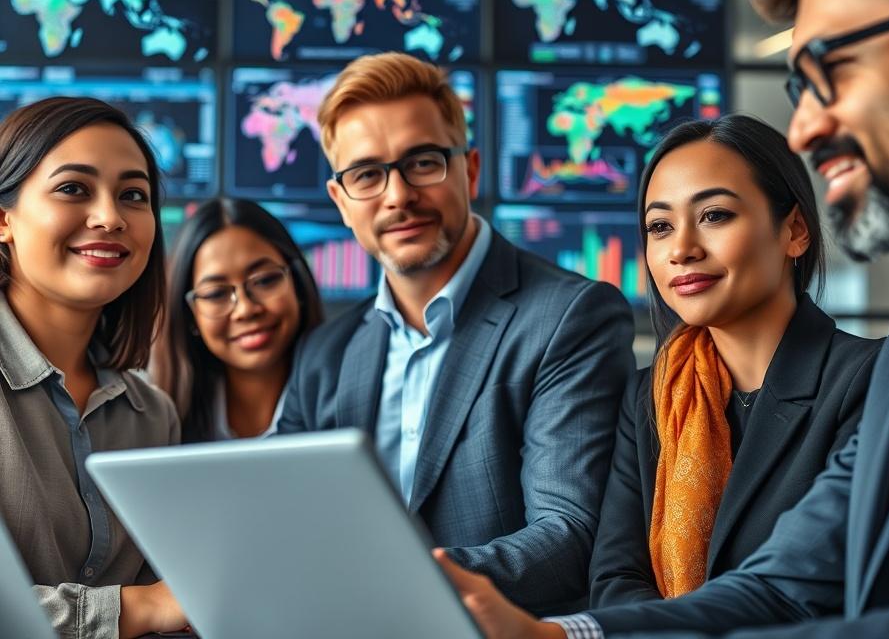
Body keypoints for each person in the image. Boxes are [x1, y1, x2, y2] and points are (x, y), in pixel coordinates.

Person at [435, 0, 889, 636]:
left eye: (832, 69)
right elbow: (786, 583)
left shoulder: (883, 361)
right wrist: (560, 635)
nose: (806, 130)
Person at [277, 51, 635, 615]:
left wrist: (391, 586)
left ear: (468, 169)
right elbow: (279, 518)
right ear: (341, 202)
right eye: (367, 175)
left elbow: (570, 533)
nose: (398, 196)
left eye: (422, 162)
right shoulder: (326, 352)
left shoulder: (571, 316)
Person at [589, 115, 880, 607]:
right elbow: (615, 581)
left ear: (795, 231)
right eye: (660, 226)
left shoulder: (871, 379)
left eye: (715, 216)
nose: (681, 249)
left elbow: (816, 589)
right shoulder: (649, 397)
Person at [0, 97, 186, 638]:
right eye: (73, 188)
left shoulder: (151, 414)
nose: (110, 217)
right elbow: (156, 605)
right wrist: (138, 609)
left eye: (133, 195)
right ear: (4, 219)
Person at [152, 198, 324, 442]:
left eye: (265, 281)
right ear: (189, 315)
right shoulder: (156, 419)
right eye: (216, 294)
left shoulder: (350, 395)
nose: (245, 309)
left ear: (297, 282)